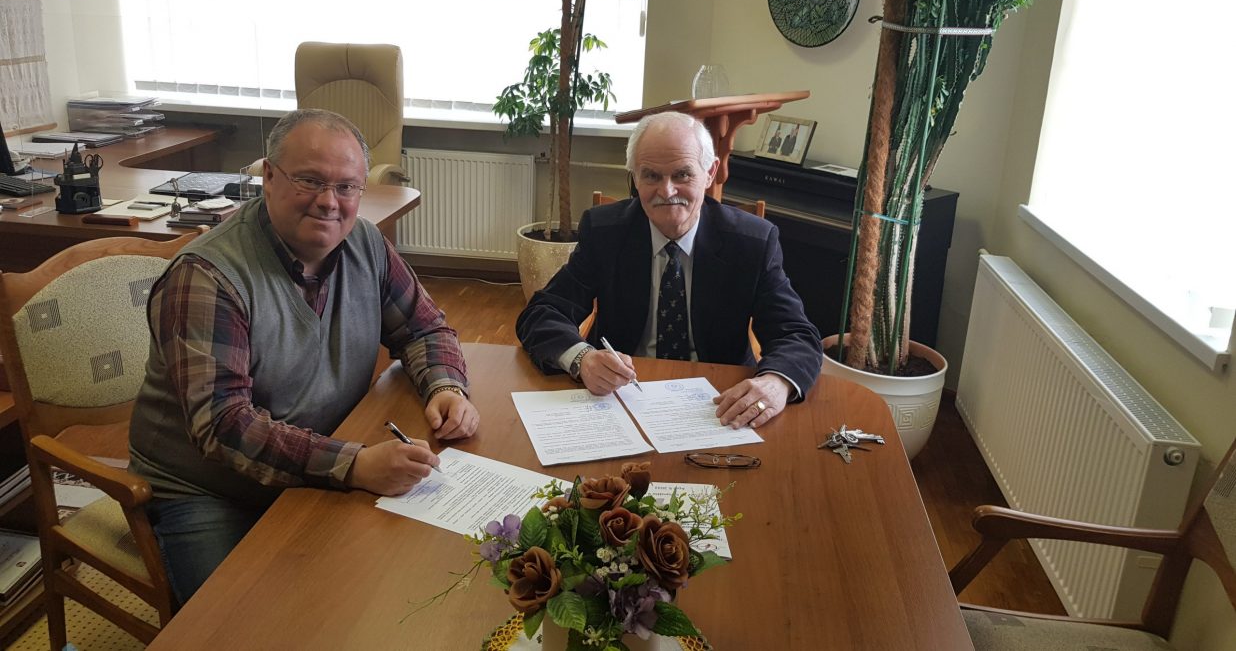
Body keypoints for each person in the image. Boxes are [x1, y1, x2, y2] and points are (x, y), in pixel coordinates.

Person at [128, 108, 480, 605]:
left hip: (322, 452)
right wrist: (354, 465)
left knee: (386, 591)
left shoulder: (366, 243)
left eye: (346, 187)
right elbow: (225, 426)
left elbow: (424, 327)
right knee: (236, 624)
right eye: (310, 180)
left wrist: (445, 385)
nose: (329, 202)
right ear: (269, 177)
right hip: (208, 489)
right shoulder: (207, 278)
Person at [516, 111, 822, 429]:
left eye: (682, 174)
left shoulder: (752, 242)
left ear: (710, 173)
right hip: (621, 398)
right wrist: (583, 359)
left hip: (720, 403)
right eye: (651, 176)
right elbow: (542, 312)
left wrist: (776, 382)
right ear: (634, 178)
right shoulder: (605, 232)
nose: (667, 191)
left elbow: (796, 334)